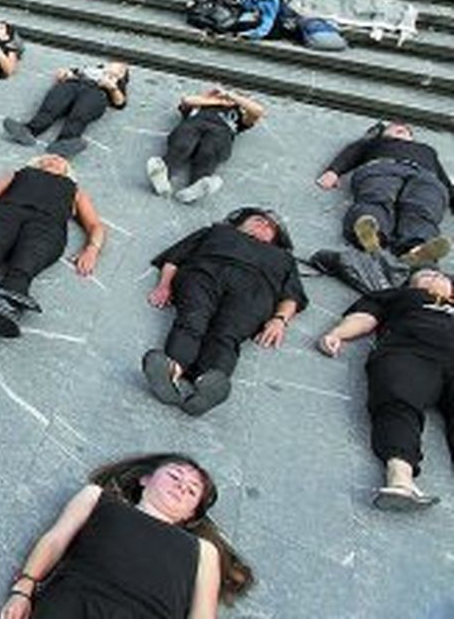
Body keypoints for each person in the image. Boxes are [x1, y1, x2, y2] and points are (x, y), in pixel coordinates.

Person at [0, 454, 252, 618]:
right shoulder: (97, 497)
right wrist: (23, 588)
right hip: (73, 604)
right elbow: (55, 539)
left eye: (192, 490)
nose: (181, 486)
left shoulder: (203, 550)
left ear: (191, 513)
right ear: (145, 479)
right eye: (174, 475)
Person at [141, 207, 306, 415]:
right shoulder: (216, 231)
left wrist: (280, 320)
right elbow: (174, 258)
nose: (263, 224)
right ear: (240, 223)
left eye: (270, 227)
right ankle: (172, 369)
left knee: (226, 335)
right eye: (258, 219)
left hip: (255, 290)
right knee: (192, 318)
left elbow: (292, 296)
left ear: (275, 238)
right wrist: (164, 285)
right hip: (205, 274)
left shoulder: (283, 258)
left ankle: (208, 384)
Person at [317, 271, 454, 511]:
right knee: (398, 402)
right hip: (410, 350)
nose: (435, 277)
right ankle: (401, 480)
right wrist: (337, 334)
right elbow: (365, 317)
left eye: (440, 275)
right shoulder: (399, 295)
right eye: (426, 275)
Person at [0, 154, 104, 336]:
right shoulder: (21, 173)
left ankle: (9, 299)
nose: (55, 159)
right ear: (38, 163)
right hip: (6, 212)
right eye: (49, 158)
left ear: (68, 171)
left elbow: (94, 224)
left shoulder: (74, 190)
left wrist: (92, 249)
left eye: (61, 160)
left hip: (48, 225)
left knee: (25, 265)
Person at [317, 121, 450, 265]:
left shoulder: (427, 150)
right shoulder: (373, 143)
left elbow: (443, 177)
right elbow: (351, 153)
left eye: (405, 129)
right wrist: (334, 171)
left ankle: (418, 248)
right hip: (383, 167)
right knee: (377, 197)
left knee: (423, 207)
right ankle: (371, 235)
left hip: (425, 176)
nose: (401, 127)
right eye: (393, 127)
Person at [145, 86, 265, 204]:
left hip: (221, 132)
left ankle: (196, 187)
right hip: (194, 124)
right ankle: (162, 173)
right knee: (183, 144)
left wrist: (231, 96)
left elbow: (258, 111)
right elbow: (187, 100)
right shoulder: (200, 106)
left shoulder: (239, 117)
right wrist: (214, 99)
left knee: (209, 153)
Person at [2, 61, 129, 158]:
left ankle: (66, 142)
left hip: (97, 92)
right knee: (51, 107)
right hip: (73, 84)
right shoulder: (87, 70)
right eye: (114, 64)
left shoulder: (117, 82)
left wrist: (112, 88)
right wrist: (64, 74)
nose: (116, 68)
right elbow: (61, 74)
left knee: (80, 114)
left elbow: (120, 103)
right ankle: (29, 130)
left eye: (121, 69)